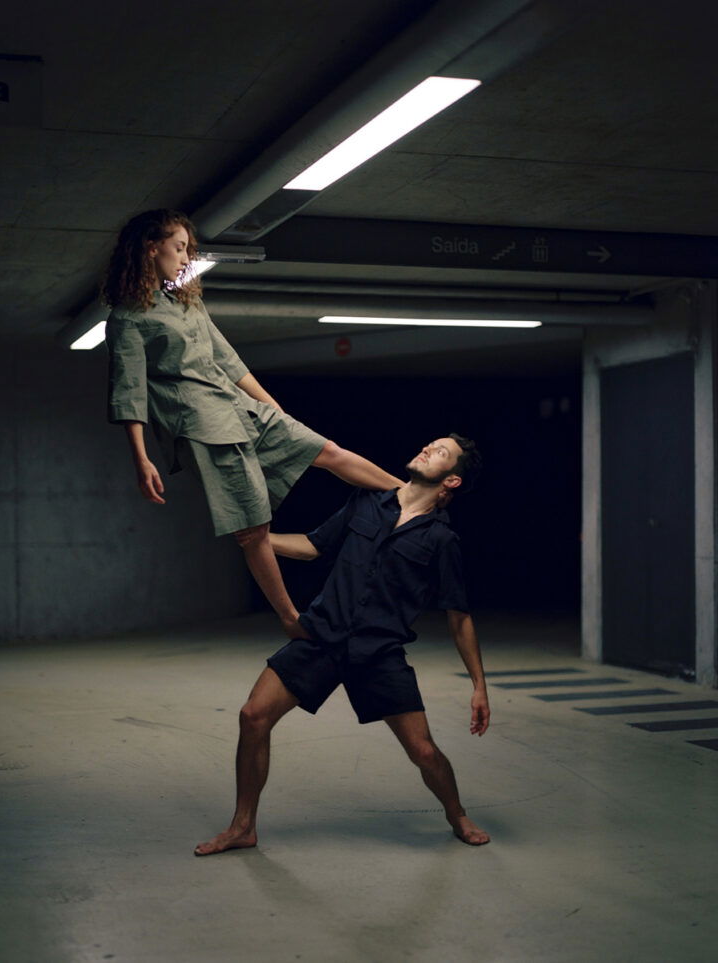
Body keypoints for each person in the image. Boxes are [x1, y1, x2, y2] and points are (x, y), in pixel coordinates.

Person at [102, 209, 403, 638]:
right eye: (180, 247)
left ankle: (408, 495)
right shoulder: (128, 319)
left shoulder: (187, 301)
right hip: (203, 425)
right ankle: (291, 619)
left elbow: (227, 360)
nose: (187, 258)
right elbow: (128, 391)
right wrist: (142, 460)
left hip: (239, 407)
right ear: (152, 248)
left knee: (328, 451)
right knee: (253, 528)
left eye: (188, 249)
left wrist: (274, 407)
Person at [194, 433, 491, 856]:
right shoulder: (367, 502)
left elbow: (459, 617)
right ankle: (243, 826)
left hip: (379, 653)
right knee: (253, 716)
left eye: (440, 452)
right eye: (428, 444)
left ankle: (457, 814)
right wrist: (259, 539)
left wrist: (478, 685)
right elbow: (313, 546)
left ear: (453, 481)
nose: (426, 448)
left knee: (424, 752)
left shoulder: (441, 541)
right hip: (322, 635)